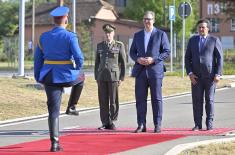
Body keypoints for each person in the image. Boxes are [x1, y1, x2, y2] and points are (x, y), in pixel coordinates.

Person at [34, 6, 84, 152]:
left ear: (53, 21)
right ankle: (72, 106)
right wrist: (76, 69)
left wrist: (38, 76)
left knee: (53, 111)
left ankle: (54, 144)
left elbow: (37, 60)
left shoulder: (43, 37)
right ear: (66, 19)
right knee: (81, 78)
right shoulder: (70, 36)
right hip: (67, 75)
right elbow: (79, 58)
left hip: (49, 76)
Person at [129, 11, 170, 133]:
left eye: (149, 19)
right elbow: (132, 52)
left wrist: (154, 59)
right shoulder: (138, 35)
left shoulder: (161, 34)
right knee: (140, 99)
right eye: (145, 19)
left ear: (154, 20)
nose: (147, 21)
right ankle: (141, 124)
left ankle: (157, 124)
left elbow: (166, 51)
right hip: (140, 72)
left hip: (155, 71)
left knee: (156, 99)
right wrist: (138, 59)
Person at [185, 19, 223, 131]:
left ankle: (209, 123)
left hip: (210, 77)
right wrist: (190, 73)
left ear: (208, 28)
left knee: (209, 100)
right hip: (196, 77)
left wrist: (218, 74)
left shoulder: (214, 40)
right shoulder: (192, 40)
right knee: (197, 101)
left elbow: (220, 58)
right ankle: (197, 124)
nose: (201, 29)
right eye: (199, 27)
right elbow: (187, 58)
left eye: (203, 27)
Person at [94, 24, 126, 130]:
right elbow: (97, 63)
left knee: (113, 100)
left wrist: (121, 77)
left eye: (110, 33)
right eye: (106, 33)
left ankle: (112, 121)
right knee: (103, 100)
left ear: (113, 33)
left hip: (113, 76)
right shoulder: (100, 46)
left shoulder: (119, 45)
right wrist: (96, 77)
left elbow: (123, 62)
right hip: (101, 76)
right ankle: (104, 122)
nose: (108, 35)